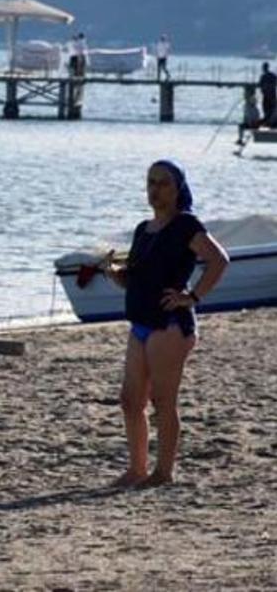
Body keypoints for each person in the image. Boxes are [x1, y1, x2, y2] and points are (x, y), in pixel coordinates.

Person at [102, 161, 228, 488]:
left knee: (163, 400)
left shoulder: (186, 225)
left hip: (171, 324)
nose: (155, 190)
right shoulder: (144, 230)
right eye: (150, 182)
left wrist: (193, 296)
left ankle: (164, 472)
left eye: (163, 183)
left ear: (178, 189)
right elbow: (135, 280)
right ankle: (137, 468)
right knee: (130, 400)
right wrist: (113, 275)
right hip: (141, 322)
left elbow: (218, 260)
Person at [259, 61, 277, 127]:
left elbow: (261, 86)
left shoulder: (263, 77)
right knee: (272, 112)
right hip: (272, 97)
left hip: (267, 97)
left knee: (268, 112)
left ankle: (269, 124)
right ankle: (271, 124)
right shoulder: (273, 76)